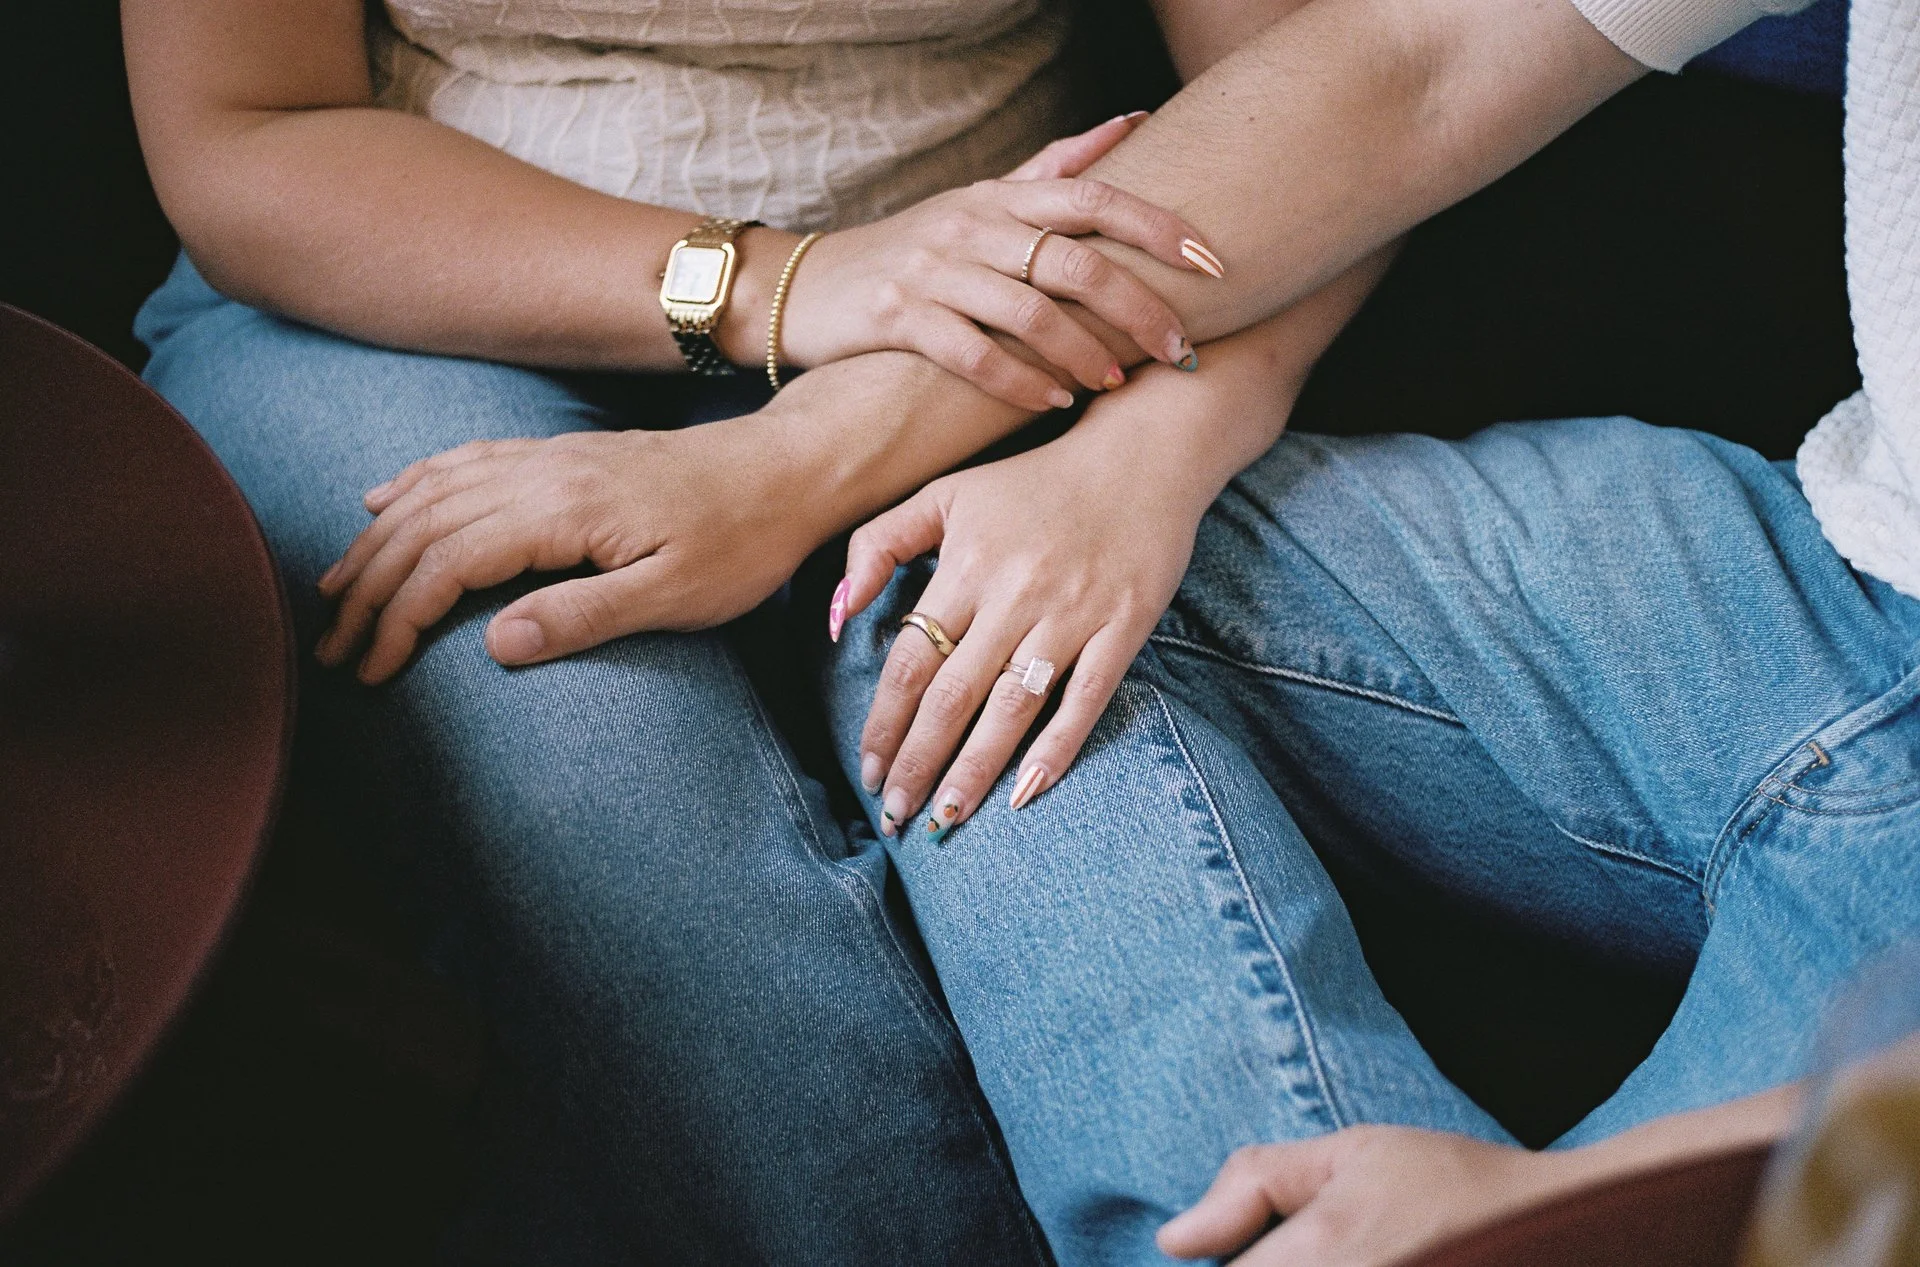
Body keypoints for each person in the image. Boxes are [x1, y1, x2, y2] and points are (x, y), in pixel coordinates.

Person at [321, 0, 1920, 1263]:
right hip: (1826, 570)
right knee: (961, 576)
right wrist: (800, 464)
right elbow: (1411, 62)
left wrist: (1571, 1198)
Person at [123, 1, 1226, 1261]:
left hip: (969, 314)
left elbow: (1324, 85)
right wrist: (787, 279)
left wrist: (1143, 449)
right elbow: (246, 129)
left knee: (1031, 762)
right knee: (596, 779)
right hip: (382, 280)